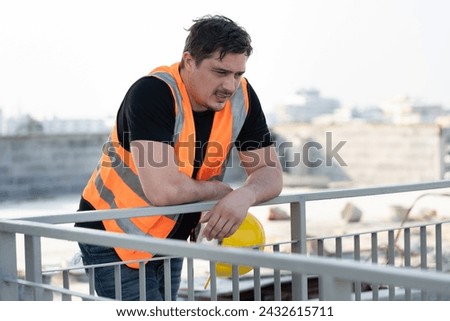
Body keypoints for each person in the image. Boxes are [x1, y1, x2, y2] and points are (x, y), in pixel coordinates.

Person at [75, 14, 283, 301]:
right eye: (220, 72)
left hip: (170, 238)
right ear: (189, 61)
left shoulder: (242, 98)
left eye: (238, 74)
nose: (230, 85)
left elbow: (270, 173)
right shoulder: (152, 93)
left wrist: (244, 196)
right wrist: (220, 191)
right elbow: (165, 189)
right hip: (113, 238)